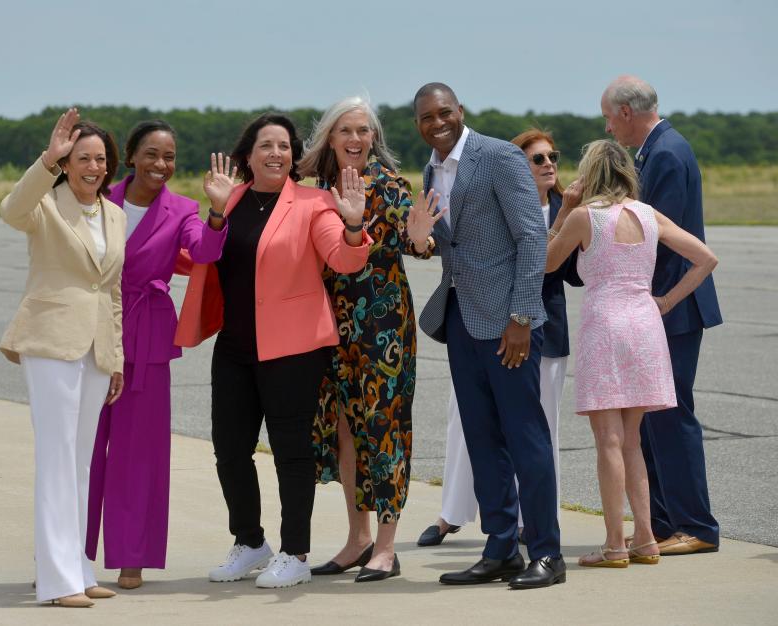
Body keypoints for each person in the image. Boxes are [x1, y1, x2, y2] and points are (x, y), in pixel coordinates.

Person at [174, 112, 371, 589]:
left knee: (291, 453)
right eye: (266, 145)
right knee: (229, 450)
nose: (276, 154)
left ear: (294, 155)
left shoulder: (313, 202)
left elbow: (344, 260)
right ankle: (249, 542)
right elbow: (203, 254)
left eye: (284, 146)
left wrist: (353, 222)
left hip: (293, 349)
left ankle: (295, 552)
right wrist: (215, 212)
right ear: (248, 155)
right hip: (236, 347)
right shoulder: (230, 199)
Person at [406, 83, 564, 589]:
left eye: (444, 113)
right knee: (481, 439)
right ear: (418, 123)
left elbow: (532, 236)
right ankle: (500, 550)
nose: (437, 123)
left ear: (461, 112)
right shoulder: (432, 169)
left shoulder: (498, 157)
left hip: (508, 326)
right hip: (461, 320)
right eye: (427, 117)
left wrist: (521, 317)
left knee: (526, 438)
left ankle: (546, 553)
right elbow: (454, 244)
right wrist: (423, 243)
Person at [546, 139, 718, 567]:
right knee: (633, 442)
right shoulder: (648, 214)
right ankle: (644, 538)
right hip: (645, 324)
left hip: (605, 326)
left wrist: (565, 209)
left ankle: (614, 544)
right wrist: (666, 301)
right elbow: (705, 257)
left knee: (609, 441)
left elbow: (547, 263)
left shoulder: (587, 217)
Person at [85, 121, 227, 590]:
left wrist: (218, 212)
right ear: (130, 156)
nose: (161, 165)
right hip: (91, 331)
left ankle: (132, 556)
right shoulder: (98, 200)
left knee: (139, 453)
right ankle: (70, 556)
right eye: (151, 154)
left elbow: (204, 249)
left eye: (169, 157)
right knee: (83, 450)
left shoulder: (183, 209)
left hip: (146, 338)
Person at [296, 97, 432, 582]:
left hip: (383, 327)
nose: (356, 140)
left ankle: (387, 547)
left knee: (384, 429)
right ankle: (358, 539)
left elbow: (419, 243)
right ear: (330, 138)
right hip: (332, 325)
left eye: (364, 131)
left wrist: (418, 238)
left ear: (374, 138)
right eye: (346, 131)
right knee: (344, 430)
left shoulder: (389, 185)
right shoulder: (315, 190)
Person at [0, 108, 126, 608]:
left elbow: (111, 290)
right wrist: (45, 162)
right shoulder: (46, 204)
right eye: (81, 158)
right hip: (50, 340)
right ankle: (56, 582)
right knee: (55, 458)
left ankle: (76, 566)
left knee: (79, 462)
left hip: (95, 346)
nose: (93, 166)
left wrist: (115, 356)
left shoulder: (113, 213)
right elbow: (11, 210)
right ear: (67, 163)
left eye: (100, 158)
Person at [601, 76, 723, 556]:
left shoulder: (666, 153)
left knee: (671, 417)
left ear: (627, 112)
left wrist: (653, 301)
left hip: (671, 307)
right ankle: (666, 522)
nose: (608, 127)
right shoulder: (655, 151)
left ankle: (696, 526)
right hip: (656, 308)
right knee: (650, 419)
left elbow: (662, 243)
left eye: (609, 117)